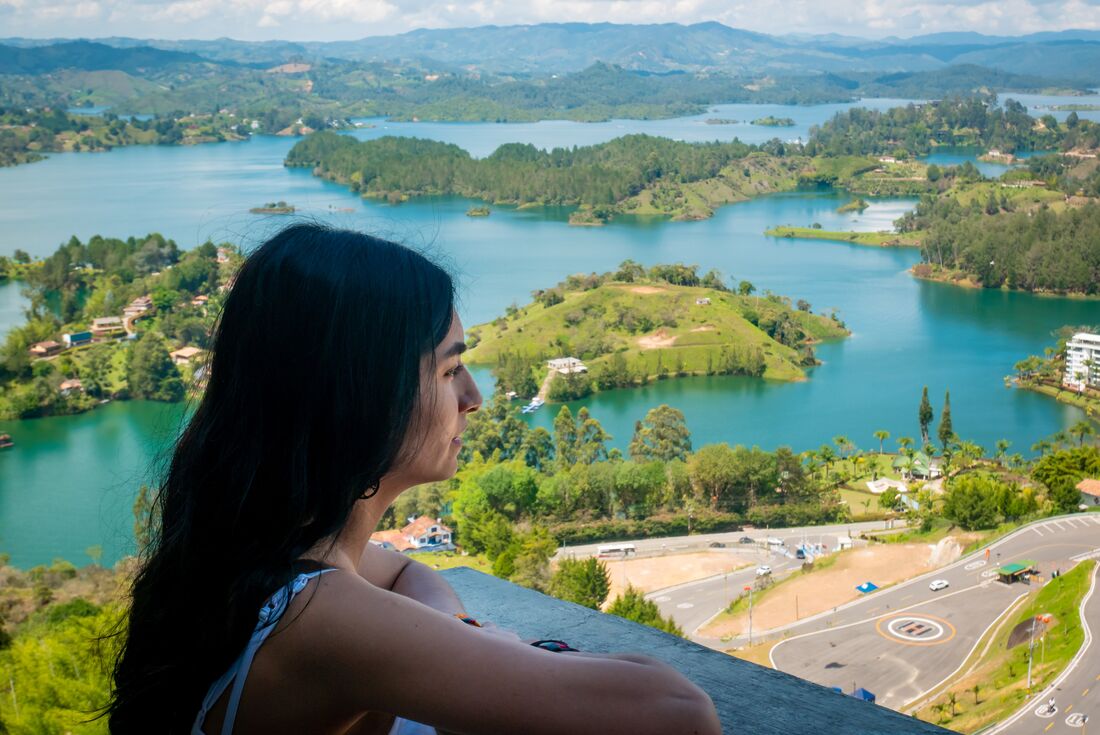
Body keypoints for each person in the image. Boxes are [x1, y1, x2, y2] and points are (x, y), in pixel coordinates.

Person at [108, 224, 720, 735]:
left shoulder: (257, 554)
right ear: (365, 395)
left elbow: (406, 570)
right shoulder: (320, 617)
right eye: (451, 368)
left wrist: (457, 638)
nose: (473, 396)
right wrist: (496, 650)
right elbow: (677, 711)